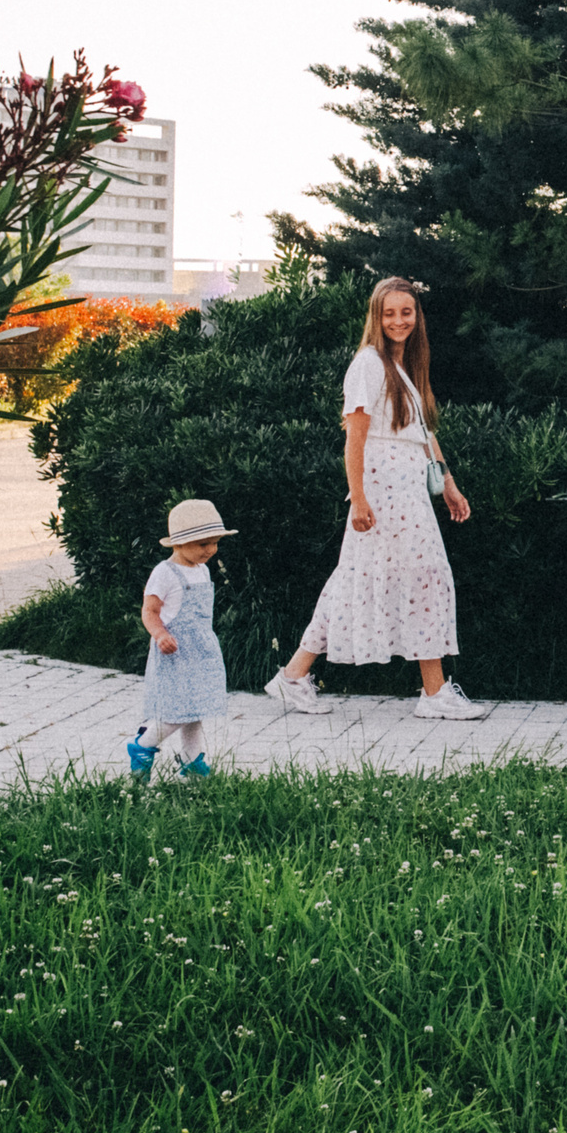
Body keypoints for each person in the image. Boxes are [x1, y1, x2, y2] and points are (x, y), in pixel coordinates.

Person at [263, 277, 485, 719]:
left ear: (417, 316)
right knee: (420, 576)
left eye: (406, 312)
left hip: (408, 490)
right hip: (384, 491)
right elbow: (355, 438)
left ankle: (293, 675)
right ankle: (434, 692)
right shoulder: (368, 364)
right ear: (376, 318)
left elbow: (423, 434)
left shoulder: (404, 367)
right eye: (389, 313)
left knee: (368, 577)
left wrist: (448, 484)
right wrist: (359, 498)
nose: (399, 321)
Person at [128, 499, 235, 781]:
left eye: (215, 543)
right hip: (175, 653)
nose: (210, 550)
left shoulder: (202, 569)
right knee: (176, 711)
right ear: (179, 543)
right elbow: (150, 611)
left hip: (201, 651)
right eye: (203, 544)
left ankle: (192, 761)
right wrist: (160, 633)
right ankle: (143, 745)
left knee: (196, 708)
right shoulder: (165, 572)